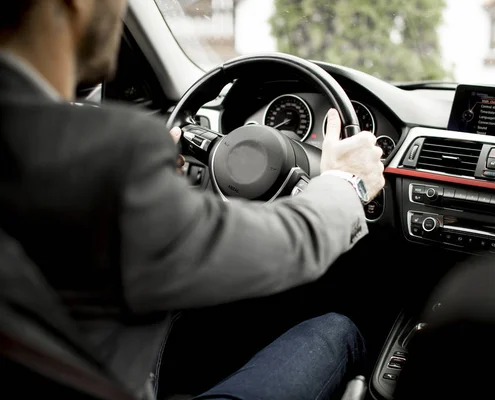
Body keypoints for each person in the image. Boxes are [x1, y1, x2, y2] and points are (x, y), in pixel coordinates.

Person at [0, 1, 385, 399]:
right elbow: (289, 241)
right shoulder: (112, 154)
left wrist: (158, 190)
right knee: (339, 330)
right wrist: (345, 182)